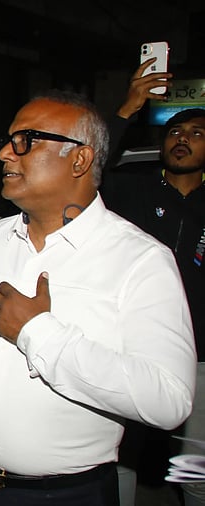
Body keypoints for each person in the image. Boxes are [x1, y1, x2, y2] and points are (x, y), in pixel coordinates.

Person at [0, 90, 195, 506]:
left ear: (79, 159)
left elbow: (169, 400)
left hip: (62, 495)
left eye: (26, 141)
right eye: (6, 141)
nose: (5, 154)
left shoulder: (140, 260)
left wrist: (38, 332)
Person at [103, 70, 204, 503]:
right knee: (119, 457)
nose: (182, 139)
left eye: (197, 133)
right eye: (174, 132)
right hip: (127, 347)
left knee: (196, 464)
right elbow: (86, 164)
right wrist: (126, 109)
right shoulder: (132, 191)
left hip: (199, 359)